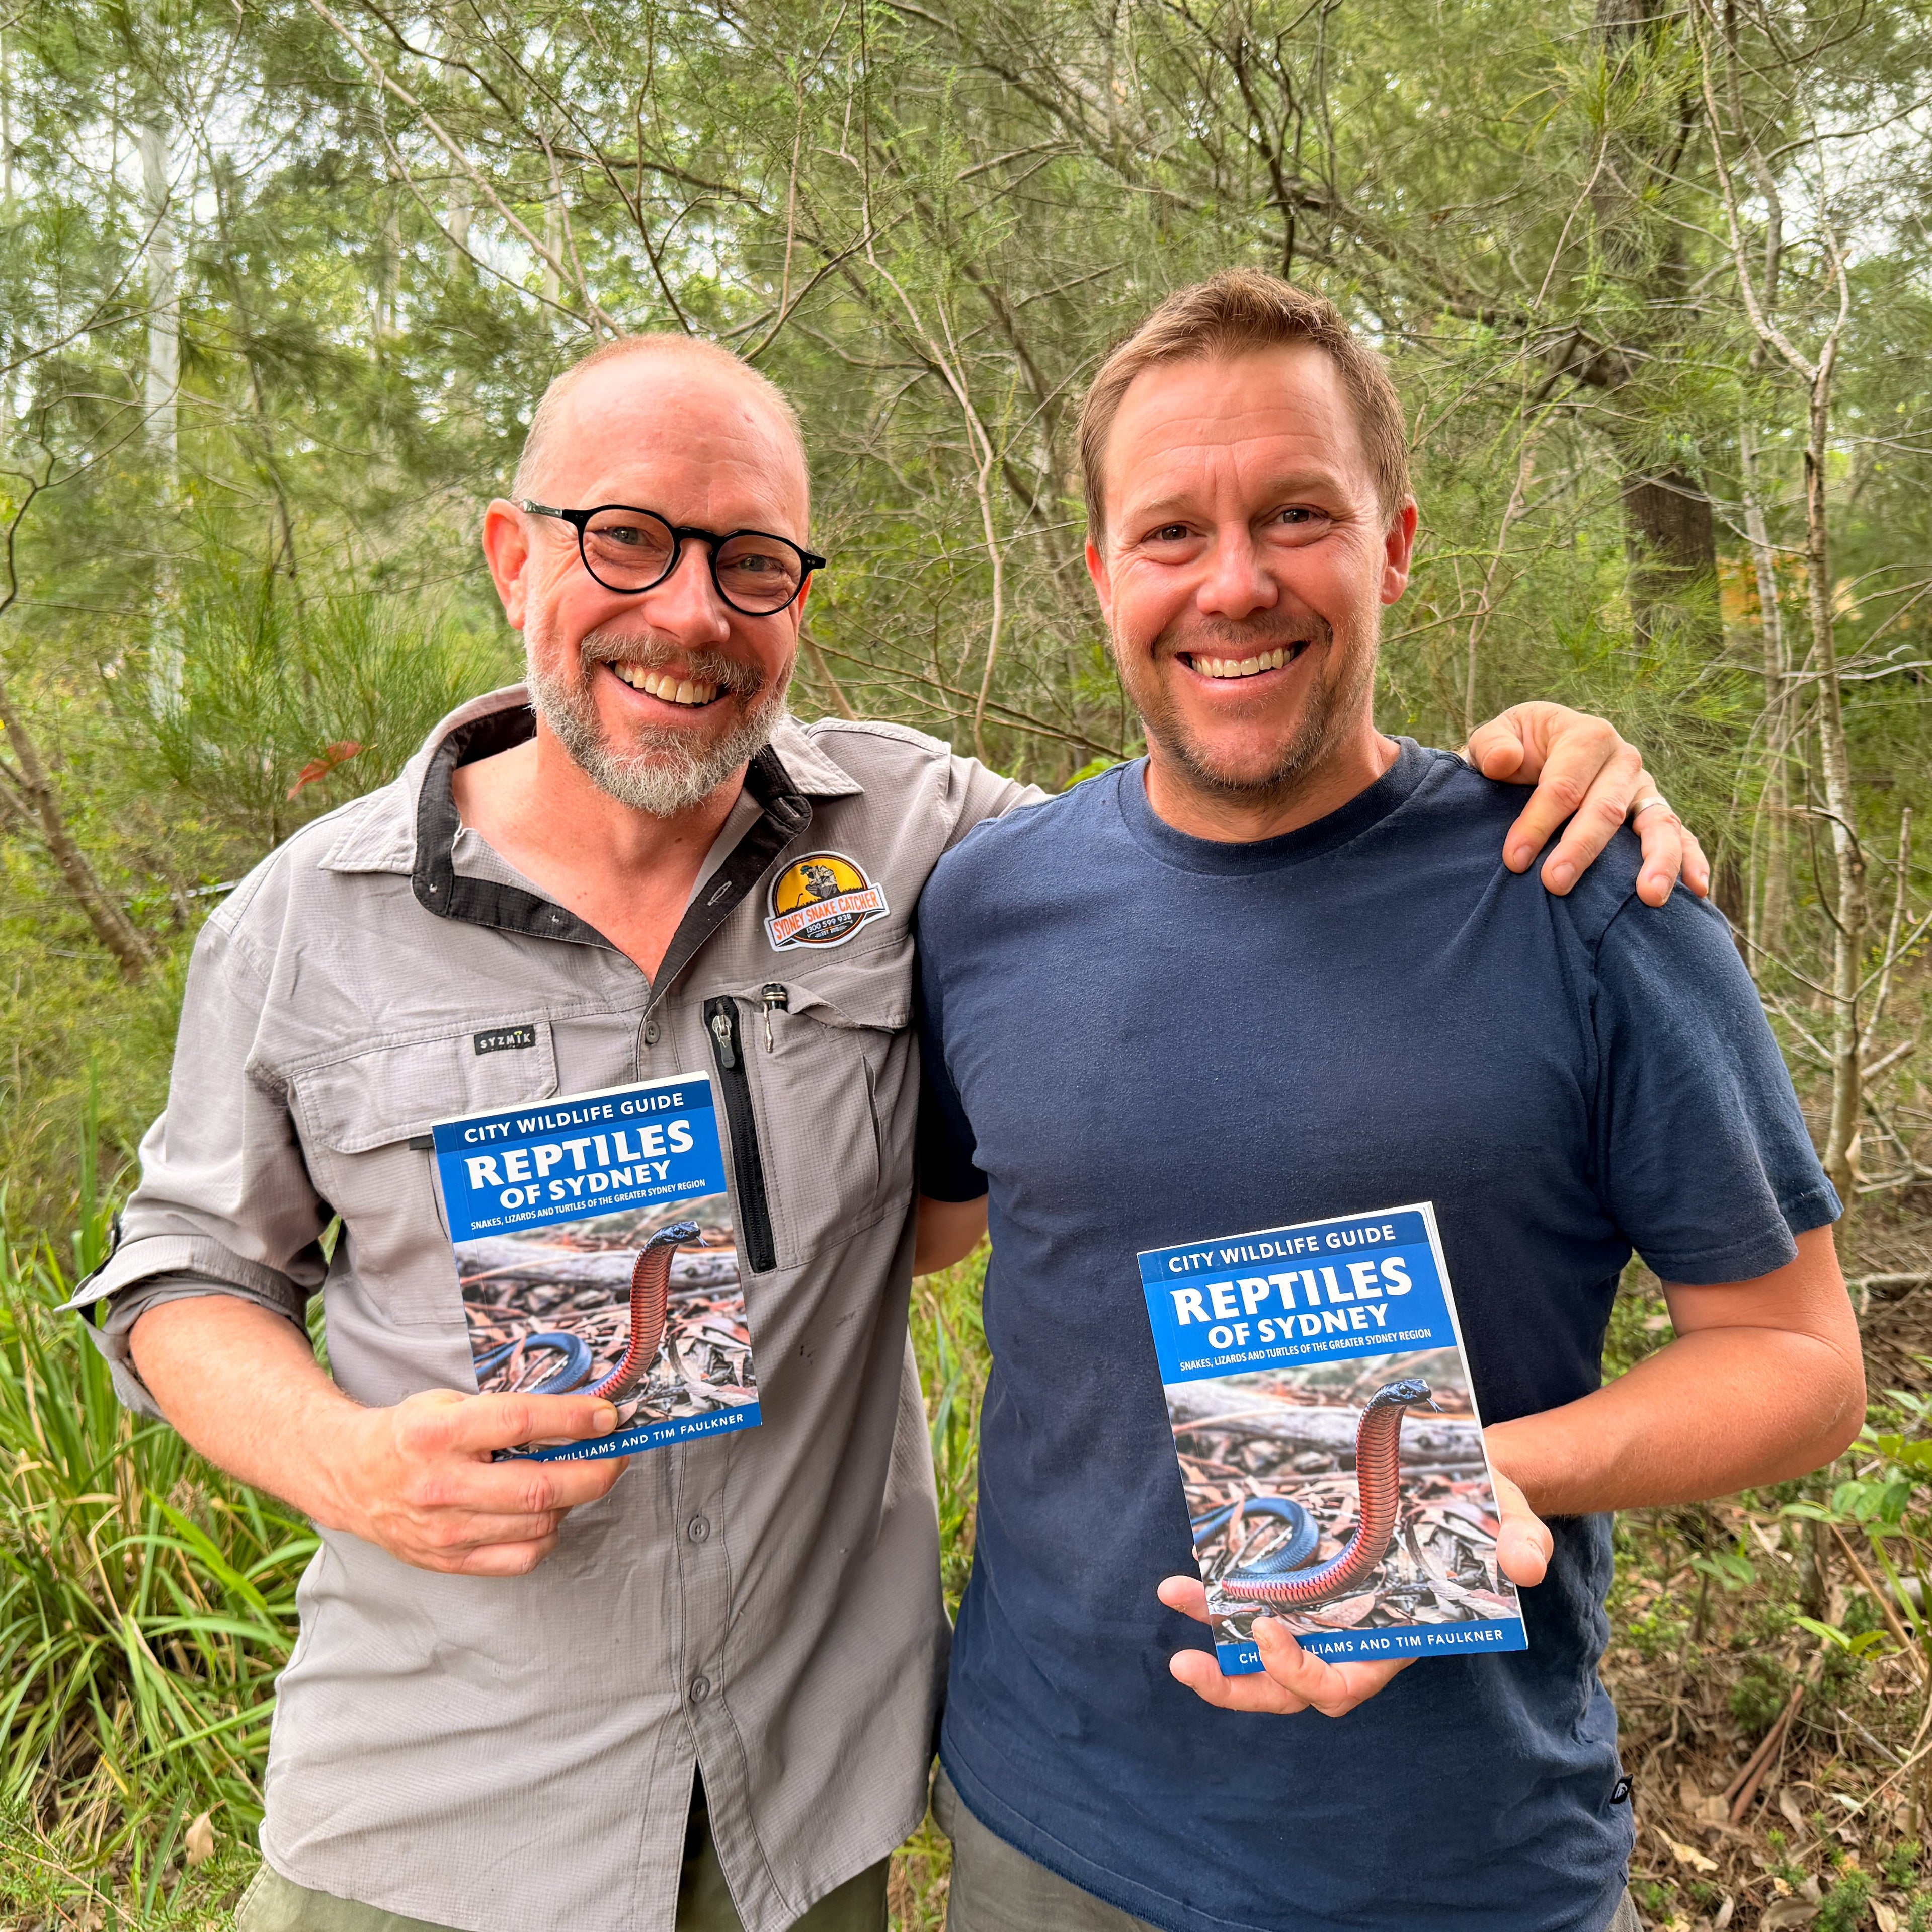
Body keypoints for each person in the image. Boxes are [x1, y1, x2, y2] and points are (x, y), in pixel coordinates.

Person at [72, 329, 1705, 1932]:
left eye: (753, 563)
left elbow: (1216, 827)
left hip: (806, 1817)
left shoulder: (930, 843)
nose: (690, 613)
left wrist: (1534, 763)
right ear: (514, 555)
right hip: (437, 1814)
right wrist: (347, 1462)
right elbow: (183, 1275)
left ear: (799, 595)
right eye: (626, 541)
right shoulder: (309, 916)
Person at [910, 272, 1865, 1932]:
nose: (1235, 583)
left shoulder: (1582, 893)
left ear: (1395, 544)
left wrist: (1474, 1475)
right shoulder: (988, 905)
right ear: (1098, 576)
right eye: (1170, 532)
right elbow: (914, 1234)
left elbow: (1797, 1366)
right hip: (1050, 1834)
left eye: (1297, 514)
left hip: (1462, 1862)